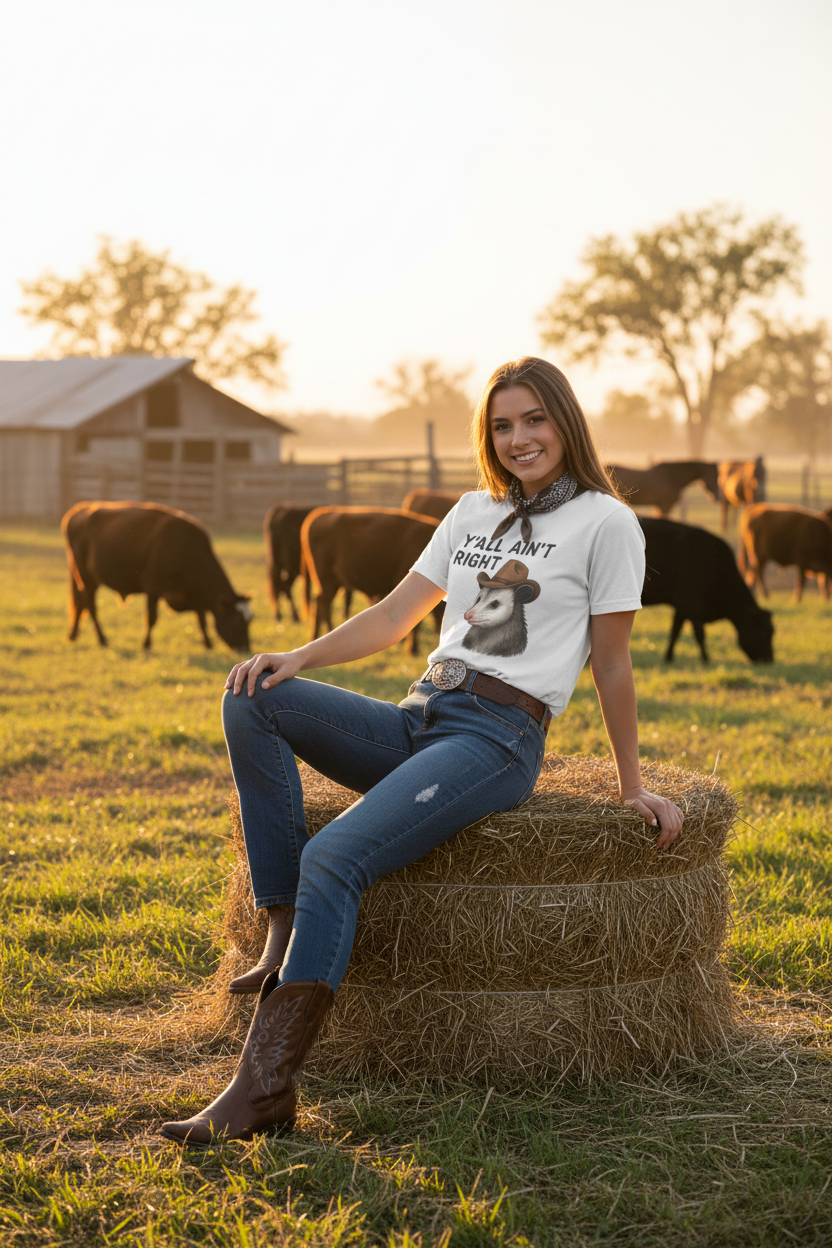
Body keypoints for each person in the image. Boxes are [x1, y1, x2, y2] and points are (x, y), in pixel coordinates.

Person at [161, 356, 684, 1145]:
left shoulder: (607, 523)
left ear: (565, 422)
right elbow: (393, 615)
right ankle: (279, 921)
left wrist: (631, 786)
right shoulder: (471, 511)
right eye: (503, 425)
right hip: (420, 714)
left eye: (535, 420)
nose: (519, 438)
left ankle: (262, 1088)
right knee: (253, 696)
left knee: (335, 855)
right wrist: (295, 658)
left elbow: (612, 662)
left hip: (497, 738)